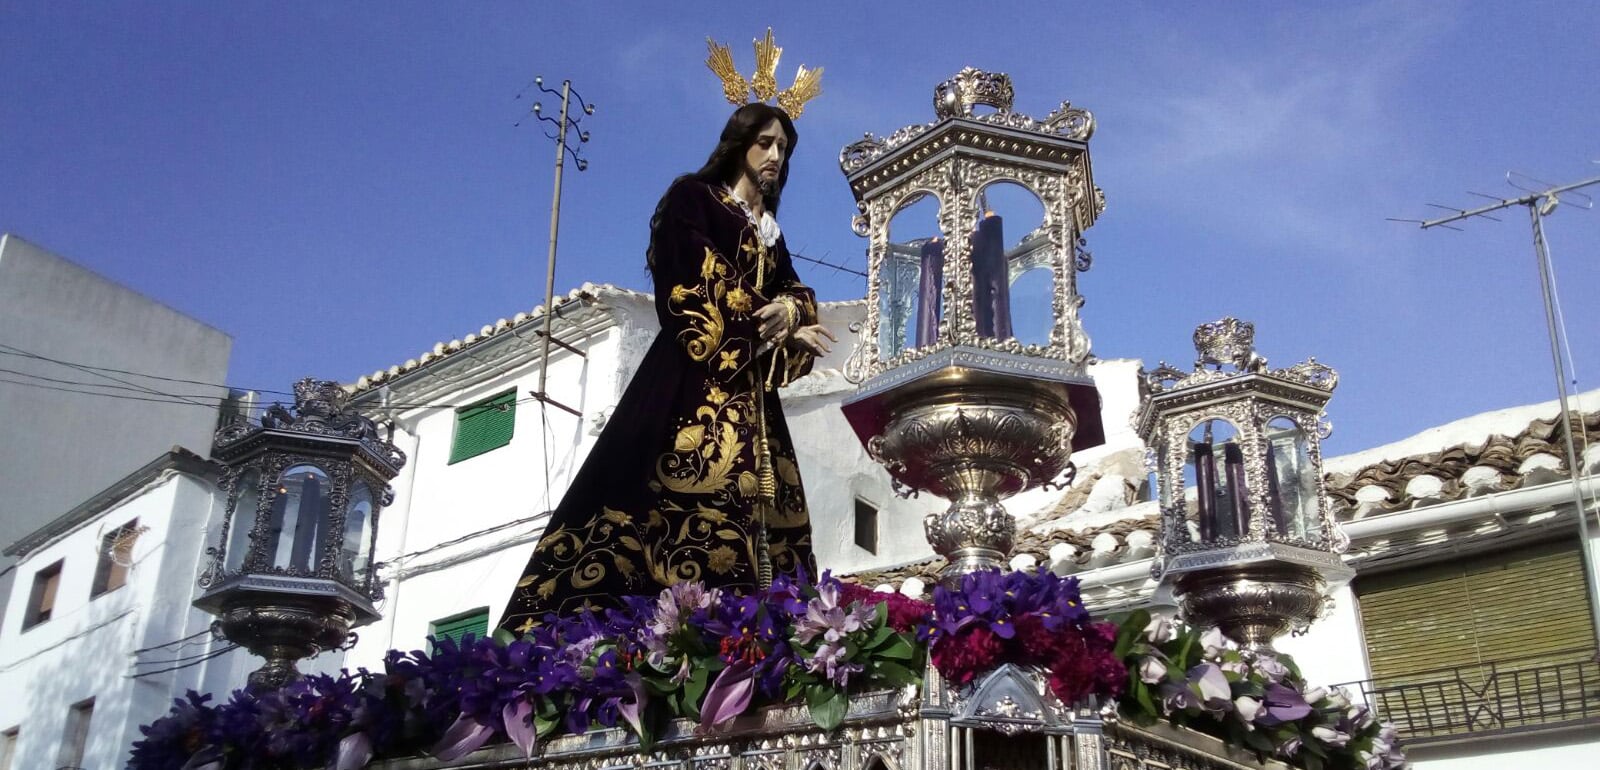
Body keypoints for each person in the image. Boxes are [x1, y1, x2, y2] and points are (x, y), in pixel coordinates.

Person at [498, 102, 836, 633]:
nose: (775, 156)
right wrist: (766, 320)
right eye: (766, 143)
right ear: (739, 143)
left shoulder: (770, 232)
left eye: (784, 149)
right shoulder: (695, 199)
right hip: (691, 385)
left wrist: (792, 312)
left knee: (767, 523)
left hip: (753, 403)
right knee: (659, 507)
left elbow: (795, 290)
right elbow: (692, 279)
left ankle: (757, 643)